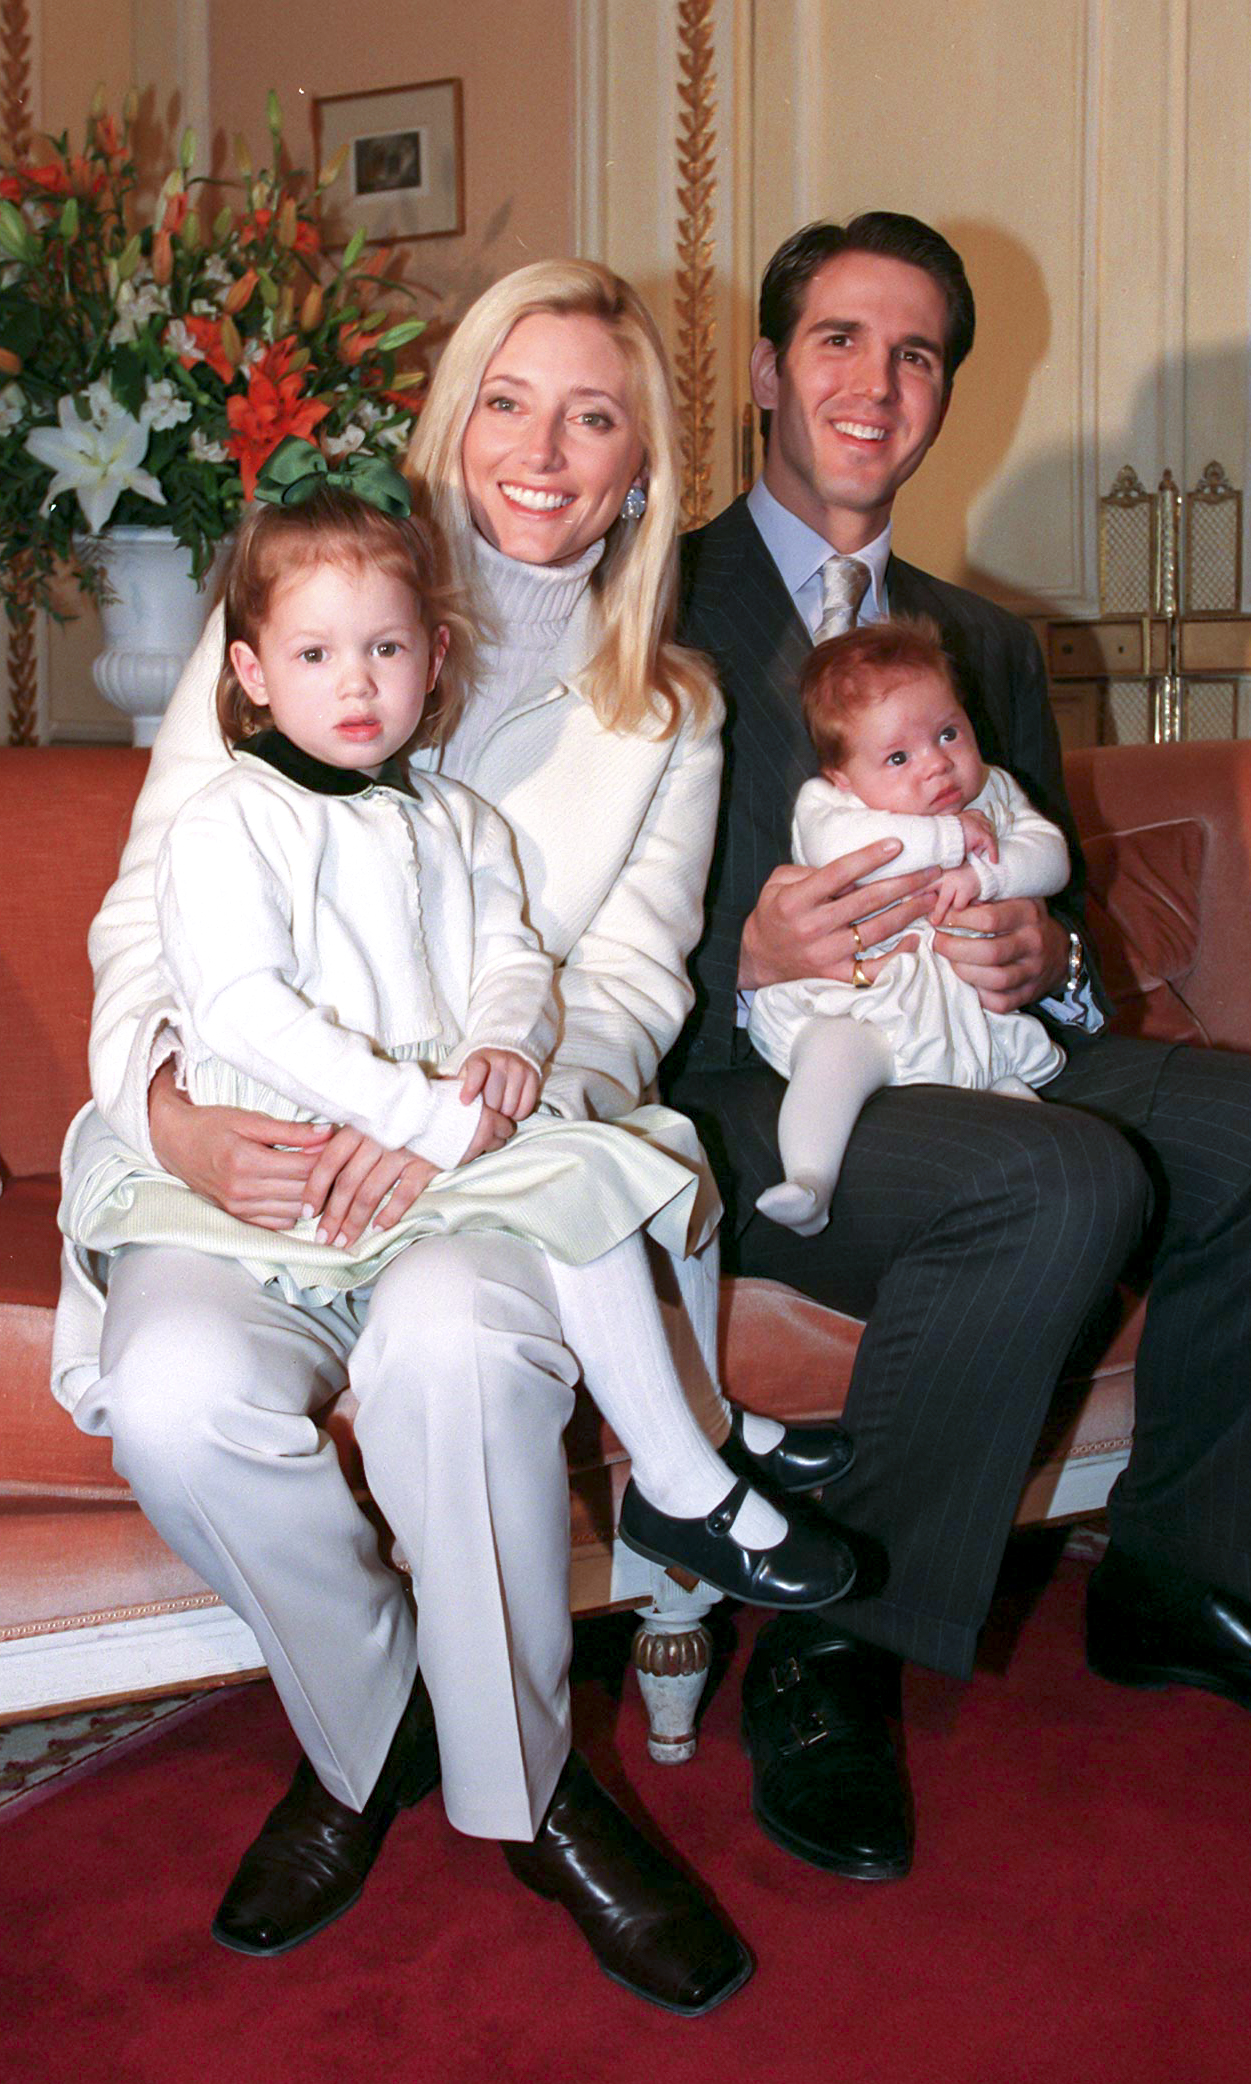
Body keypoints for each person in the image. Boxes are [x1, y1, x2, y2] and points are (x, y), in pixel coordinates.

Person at [52, 261, 844, 2013]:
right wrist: (176, 1110)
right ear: (451, 415)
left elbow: (621, 990)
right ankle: (374, 1729)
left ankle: (533, 1791)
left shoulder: (672, 712)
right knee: (182, 1396)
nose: (541, 449)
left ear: (643, 466)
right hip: (242, 1145)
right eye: (507, 397)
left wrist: (470, 1117)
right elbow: (144, 913)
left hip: (482, 1159)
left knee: (457, 1347)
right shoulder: (297, 611)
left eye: (593, 413)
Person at [669, 210, 1251, 1887]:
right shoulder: (644, 605)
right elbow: (540, 917)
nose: (879, 382)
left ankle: (1180, 1581)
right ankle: (826, 1636)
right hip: (763, 1083)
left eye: (918, 352)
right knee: (1051, 1177)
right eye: (841, 341)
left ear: (943, 391)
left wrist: (1057, 949)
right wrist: (734, 954)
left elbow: (1057, 909)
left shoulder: (986, 643)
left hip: (989, 1050)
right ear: (766, 374)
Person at [62, 449, 856, 1617]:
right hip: (292, 1141)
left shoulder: (452, 814)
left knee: (583, 1174)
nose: (355, 683)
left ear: (432, 659)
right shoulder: (232, 813)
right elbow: (237, 1005)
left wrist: (504, 1046)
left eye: (383, 650)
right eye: (317, 656)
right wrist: (424, 1111)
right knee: (570, 1180)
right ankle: (694, 1459)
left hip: (416, 1140)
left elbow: (515, 959)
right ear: (252, 671)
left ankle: (691, 1457)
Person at [749, 616, 1068, 1234]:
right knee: (832, 1060)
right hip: (870, 1005)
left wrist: (988, 878)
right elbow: (849, 842)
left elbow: (1051, 856)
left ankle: (1042, 1160)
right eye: (898, 756)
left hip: (973, 1014)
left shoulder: (996, 792)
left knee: (1020, 1104)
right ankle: (810, 1180)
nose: (936, 767)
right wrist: (950, 838)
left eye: (949, 733)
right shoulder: (831, 805)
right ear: (843, 775)